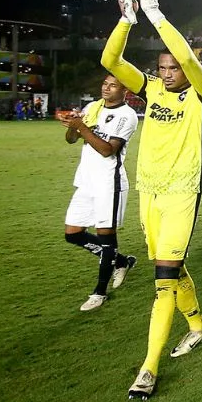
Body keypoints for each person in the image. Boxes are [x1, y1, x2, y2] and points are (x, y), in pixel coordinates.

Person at [102, 0, 202, 400]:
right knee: (170, 267)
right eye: (162, 67)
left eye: (173, 67)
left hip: (183, 193)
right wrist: (128, 19)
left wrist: (156, 13)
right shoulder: (150, 90)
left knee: (163, 279)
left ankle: (147, 369)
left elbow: (189, 60)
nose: (168, 72)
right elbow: (111, 63)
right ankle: (198, 326)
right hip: (148, 192)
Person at [60, 74, 139, 311]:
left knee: (106, 239)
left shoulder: (127, 116)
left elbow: (108, 150)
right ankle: (122, 261)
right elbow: (71, 140)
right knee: (73, 233)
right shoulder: (92, 107)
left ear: (125, 90)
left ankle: (99, 292)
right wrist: (73, 126)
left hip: (109, 184)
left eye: (113, 85)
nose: (106, 88)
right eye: (105, 83)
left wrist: (82, 127)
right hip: (86, 181)